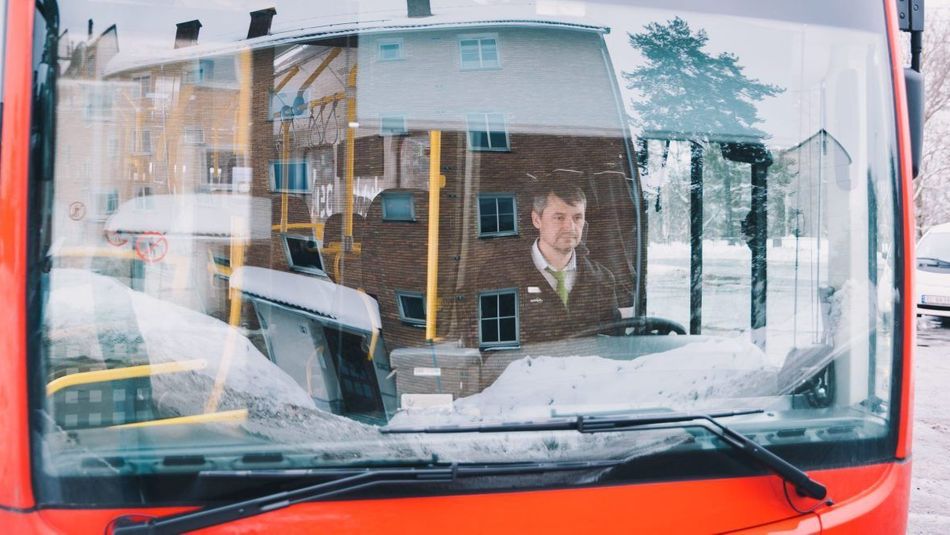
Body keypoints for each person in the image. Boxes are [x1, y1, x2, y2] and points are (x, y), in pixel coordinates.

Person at [481, 182, 620, 345]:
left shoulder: (602, 279)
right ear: (536, 220)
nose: (570, 227)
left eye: (577, 217)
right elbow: (493, 345)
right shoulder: (499, 275)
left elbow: (615, 345)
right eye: (559, 217)